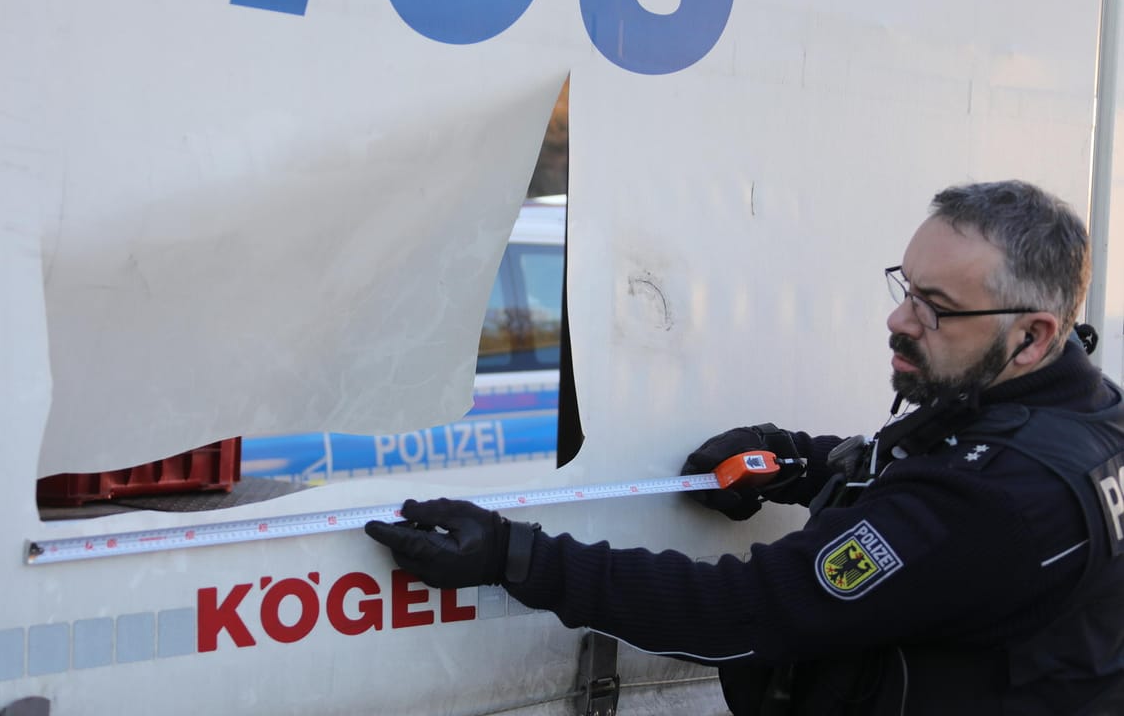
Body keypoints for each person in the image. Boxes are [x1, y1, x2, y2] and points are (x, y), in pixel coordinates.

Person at [365, 180, 1124, 715]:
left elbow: (746, 610)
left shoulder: (997, 503)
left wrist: (513, 556)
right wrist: (799, 459)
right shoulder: (1090, 417)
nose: (899, 319)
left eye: (938, 308)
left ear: (1032, 337)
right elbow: (942, 469)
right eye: (906, 286)